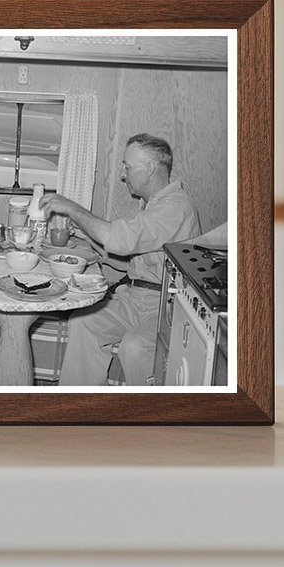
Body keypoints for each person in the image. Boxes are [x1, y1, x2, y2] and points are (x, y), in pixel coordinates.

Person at [41, 133, 201, 386]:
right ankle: (79, 405)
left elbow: (121, 240)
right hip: (137, 299)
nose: (123, 175)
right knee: (84, 321)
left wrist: (71, 207)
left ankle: (145, 418)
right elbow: (136, 262)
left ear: (149, 168)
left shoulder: (176, 207)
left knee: (135, 345)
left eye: (127, 166)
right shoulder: (153, 205)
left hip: (166, 306)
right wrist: (86, 236)